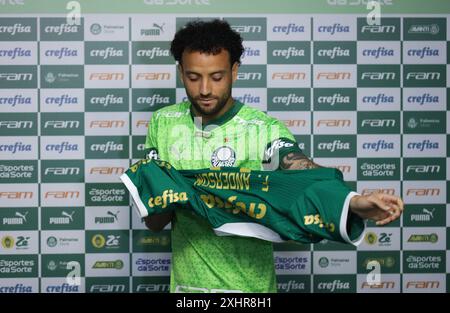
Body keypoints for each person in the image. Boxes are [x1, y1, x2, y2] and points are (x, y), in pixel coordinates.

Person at [142, 19, 404, 293]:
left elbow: (300, 169)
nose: (205, 89)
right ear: (181, 72)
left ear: (234, 71)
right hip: (186, 291)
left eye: (217, 77)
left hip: (250, 291)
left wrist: (353, 202)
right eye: (193, 77)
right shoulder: (164, 124)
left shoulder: (262, 129)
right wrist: (169, 190)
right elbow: (155, 221)